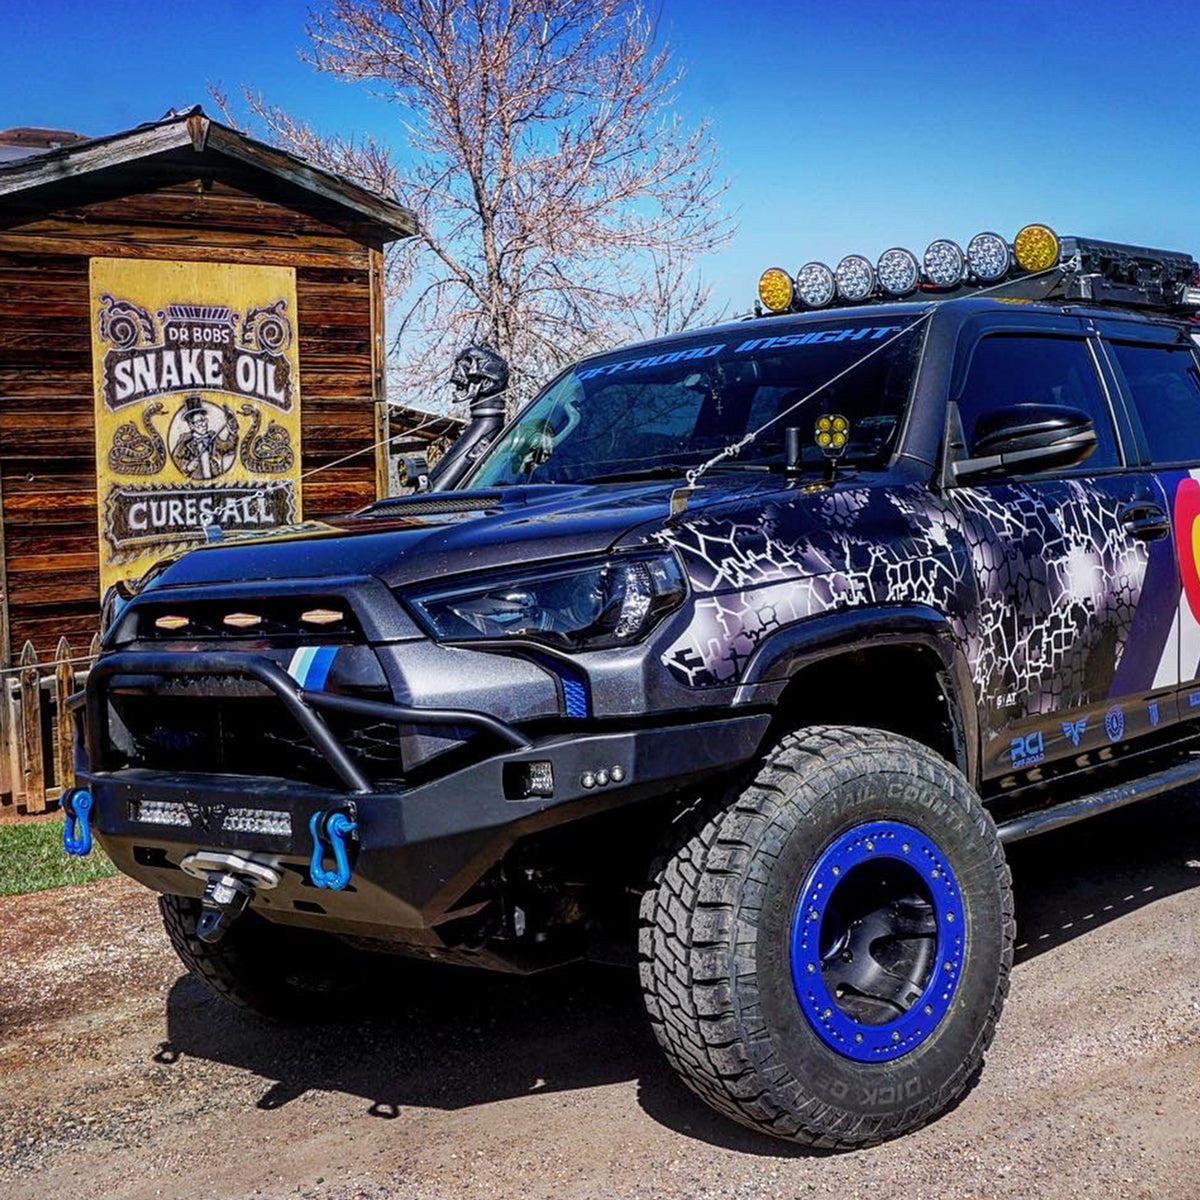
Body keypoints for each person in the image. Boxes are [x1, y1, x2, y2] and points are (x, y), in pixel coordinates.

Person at [174, 395, 237, 480]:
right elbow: (176, 459)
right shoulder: (185, 441)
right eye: (199, 422)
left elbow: (229, 447)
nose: (204, 424)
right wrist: (187, 466)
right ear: (191, 425)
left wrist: (233, 431)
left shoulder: (213, 438)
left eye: (204, 420)